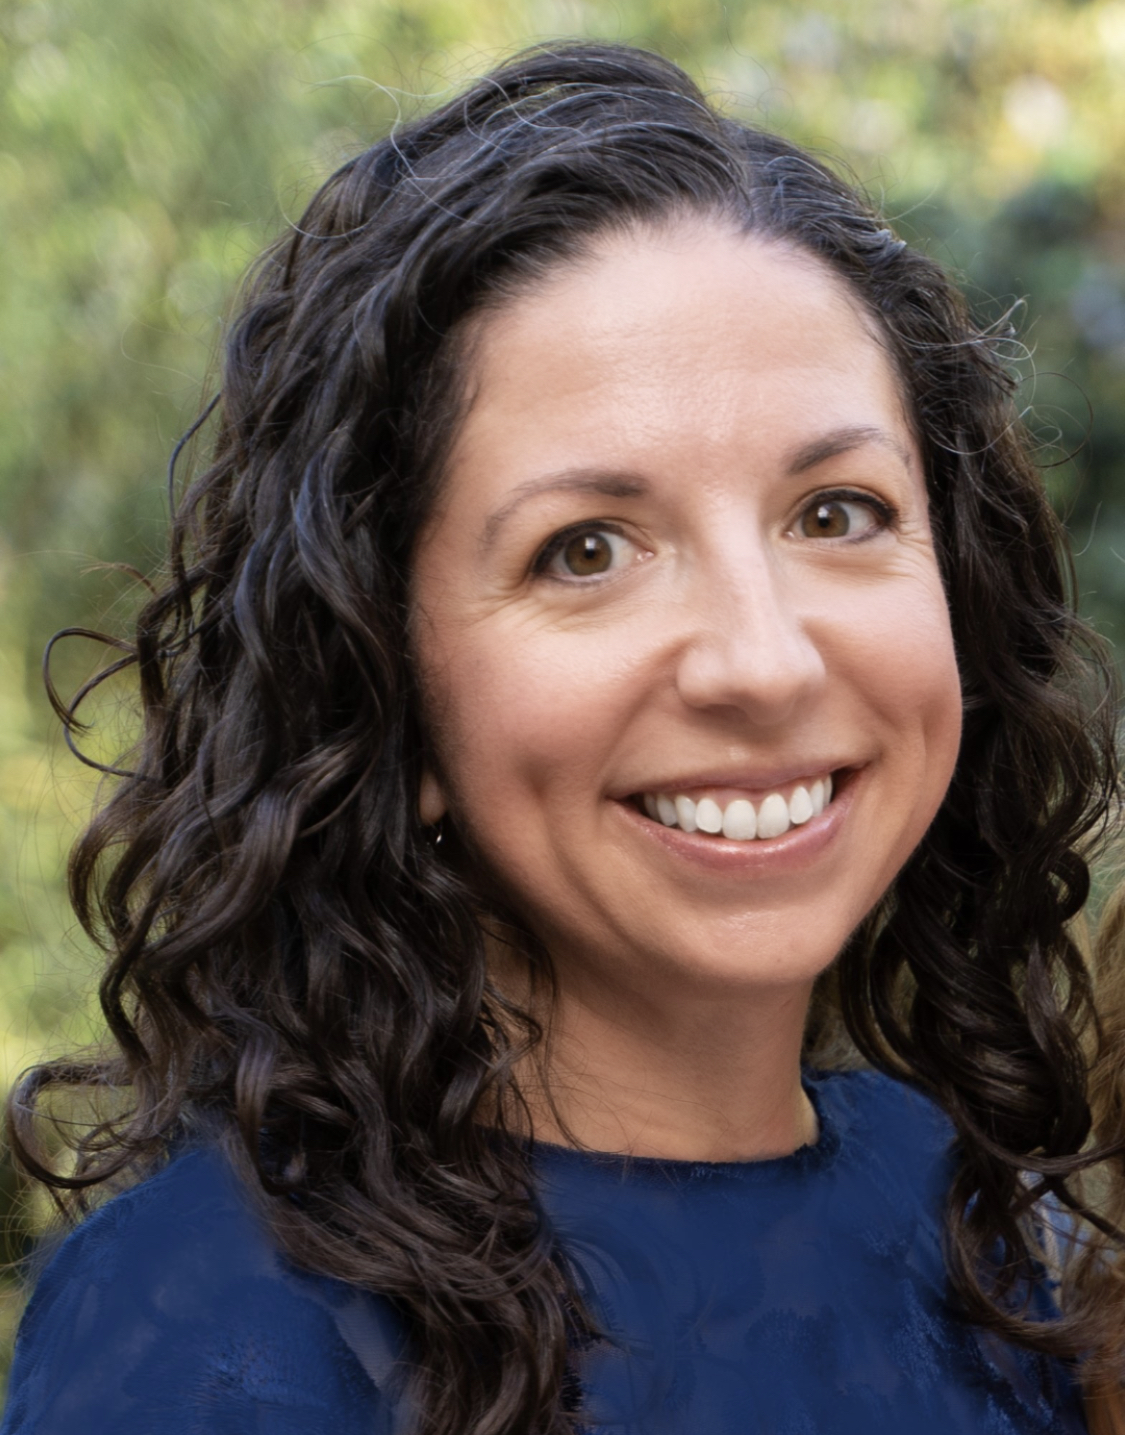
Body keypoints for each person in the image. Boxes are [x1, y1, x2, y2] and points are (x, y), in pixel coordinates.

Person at [3, 40, 1124, 1435]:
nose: (760, 659)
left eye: (835, 512)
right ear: (384, 690)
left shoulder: (984, 1235)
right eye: (585, 550)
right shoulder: (216, 1328)